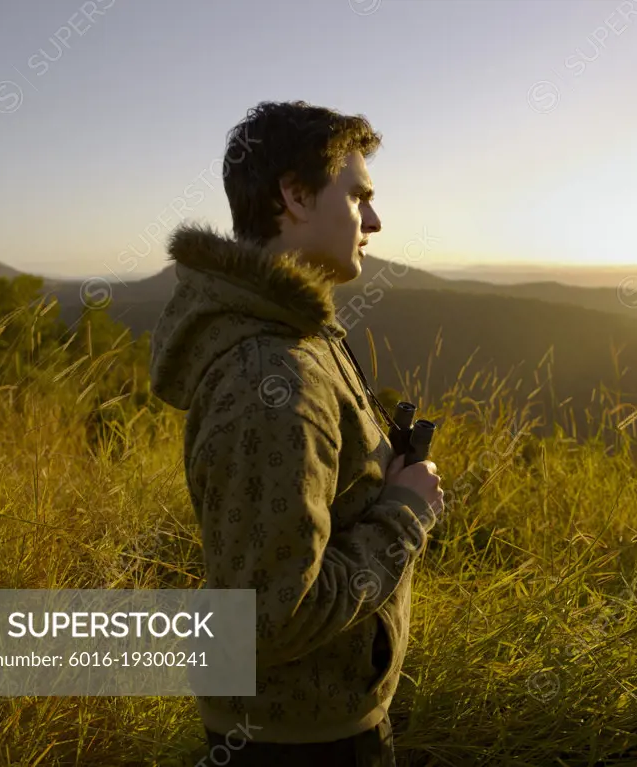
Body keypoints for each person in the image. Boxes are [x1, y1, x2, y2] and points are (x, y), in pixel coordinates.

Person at [149, 100, 445, 766]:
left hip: (307, 720)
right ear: (295, 194)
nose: (373, 221)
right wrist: (405, 513)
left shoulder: (298, 335)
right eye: (358, 197)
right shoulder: (272, 373)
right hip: (301, 740)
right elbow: (272, 615)